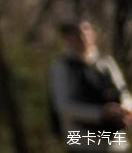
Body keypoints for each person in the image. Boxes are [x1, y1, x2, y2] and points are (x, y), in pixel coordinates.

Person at [50, 19, 132, 148]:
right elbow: (63, 106)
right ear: (67, 38)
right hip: (83, 140)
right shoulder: (62, 67)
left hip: (114, 140)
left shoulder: (106, 63)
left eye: (86, 31)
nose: (82, 37)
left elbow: (124, 92)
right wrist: (100, 113)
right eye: (76, 33)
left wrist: (123, 109)